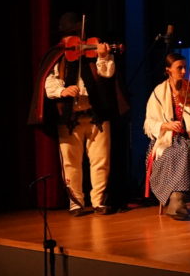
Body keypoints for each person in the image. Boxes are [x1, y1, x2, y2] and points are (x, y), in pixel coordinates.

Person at [33, 13, 127, 215]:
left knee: (101, 161)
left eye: (77, 34)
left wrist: (103, 56)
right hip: (69, 118)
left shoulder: (94, 52)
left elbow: (107, 73)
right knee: (70, 163)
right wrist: (63, 91)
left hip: (97, 115)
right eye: (70, 35)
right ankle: (76, 203)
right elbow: (49, 82)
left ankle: (99, 202)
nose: (76, 41)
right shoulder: (58, 55)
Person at [144, 52, 190, 220]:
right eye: (179, 68)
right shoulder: (158, 92)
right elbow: (149, 122)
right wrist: (166, 125)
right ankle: (176, 200)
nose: (183, 71)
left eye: (185, 67)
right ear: (168, 70)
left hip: (187, 138)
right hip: (165, 141)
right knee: (179, 153)